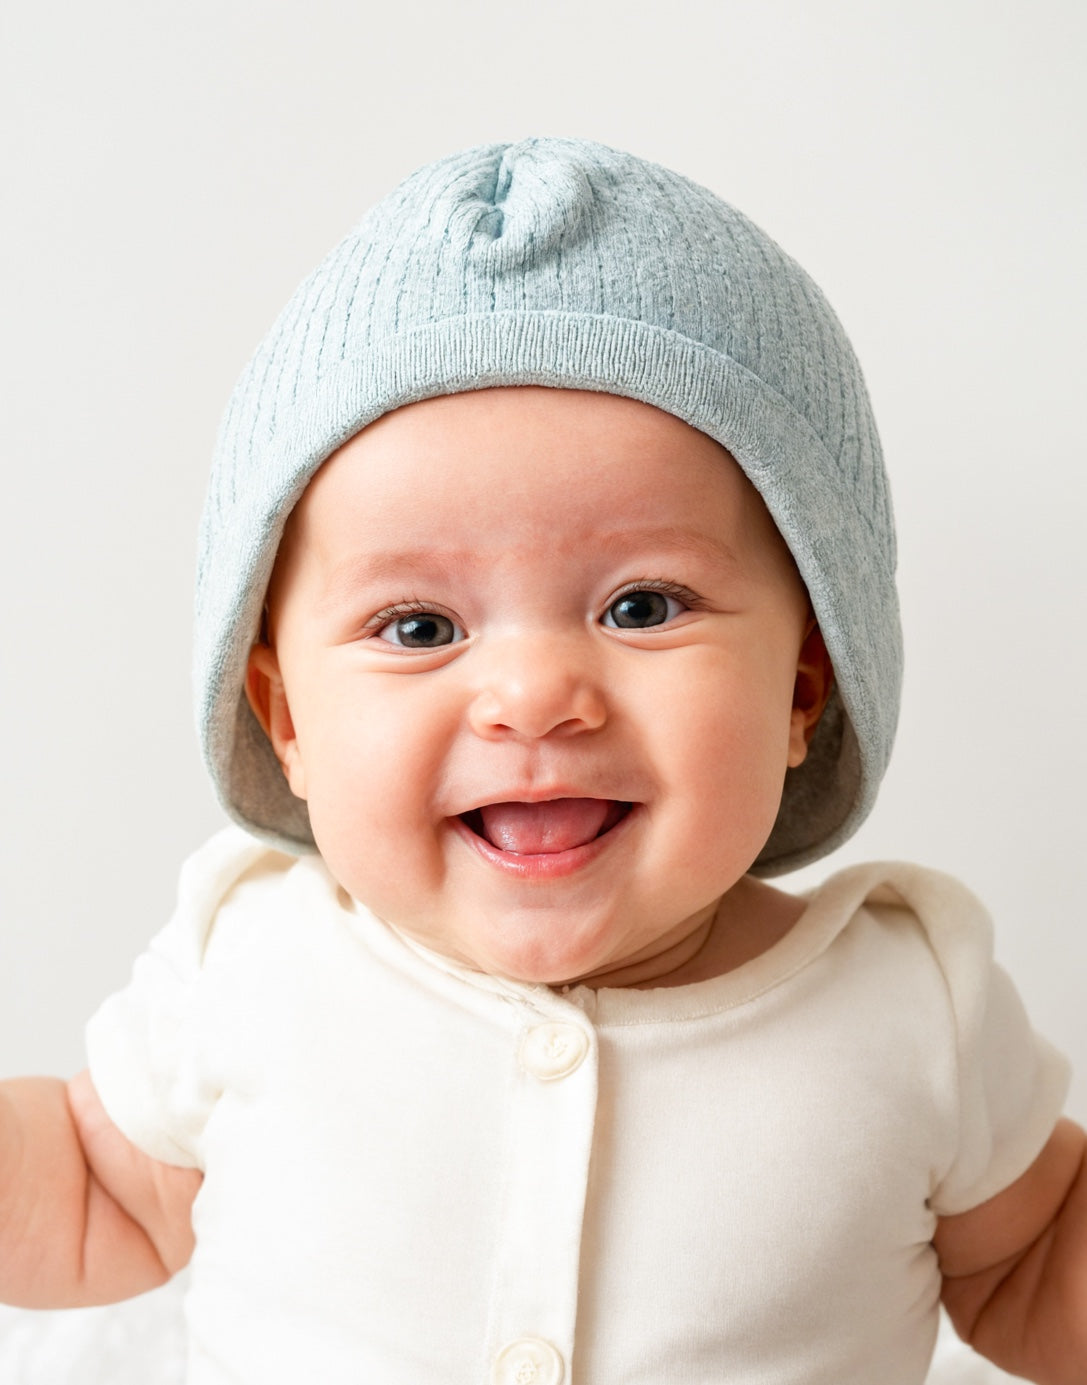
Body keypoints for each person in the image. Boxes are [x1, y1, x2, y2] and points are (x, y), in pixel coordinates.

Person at [0, 138, 1083, 1385]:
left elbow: (1038, 1256)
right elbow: (94, 1186)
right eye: (419, 628)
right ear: (286, 716)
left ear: (801, 688)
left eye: (641, 606)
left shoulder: (904, 1004)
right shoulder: (253, 961)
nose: (530, 696)